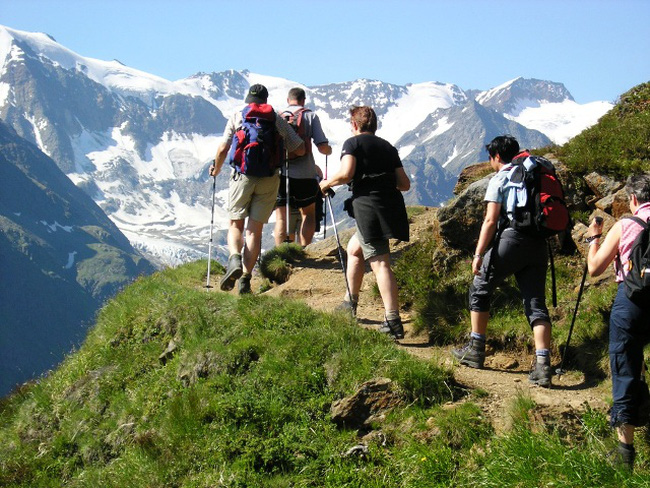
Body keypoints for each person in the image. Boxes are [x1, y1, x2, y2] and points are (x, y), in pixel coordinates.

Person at [451, 135, 554, 388]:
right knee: (535, 303)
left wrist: (478, 254)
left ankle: (476, 349)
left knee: (480, 286)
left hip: (511, 240)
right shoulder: (533, 173)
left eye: (491, 158)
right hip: (539, 245)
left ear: (496, 157)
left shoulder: (501, 177)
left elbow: (490, 220)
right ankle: (543, 366)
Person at [319, 106, 410, 339]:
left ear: (355, 125)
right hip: (390, 204)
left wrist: (326, 184)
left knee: (380, 262)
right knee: (355, 250)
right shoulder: (388, 147)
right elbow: (404, 184)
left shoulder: (353, 144)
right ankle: (350, 302)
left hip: (368, 207)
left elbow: (347, 173)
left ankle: (393, 320)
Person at [210, 84, 305, 294]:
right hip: (269, 178)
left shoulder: (238, 115)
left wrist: (216, 169)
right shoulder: (276, 118)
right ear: (266, 99)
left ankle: (234, 258)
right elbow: (299, 148)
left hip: (242, 177)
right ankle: (245, 278)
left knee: (236, 223)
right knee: (255, 230)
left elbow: (223, 148)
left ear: (249, 99)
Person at [586, 174, 650, 470]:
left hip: (632, 300)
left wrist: (593, 238)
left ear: (633, 200)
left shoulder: (627, 225)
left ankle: (625, 452)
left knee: (624, 364)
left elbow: (595, 268)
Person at [274, 87, 332, 246]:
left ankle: (282, 255)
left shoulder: (277, 117)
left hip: (280, 173)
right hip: (305, 174)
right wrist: (329, 150)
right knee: (308, 214)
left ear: (288, 100)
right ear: (303, 100)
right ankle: (305, 251)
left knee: (281, 218)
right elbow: (322, 147)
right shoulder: (310, 115)